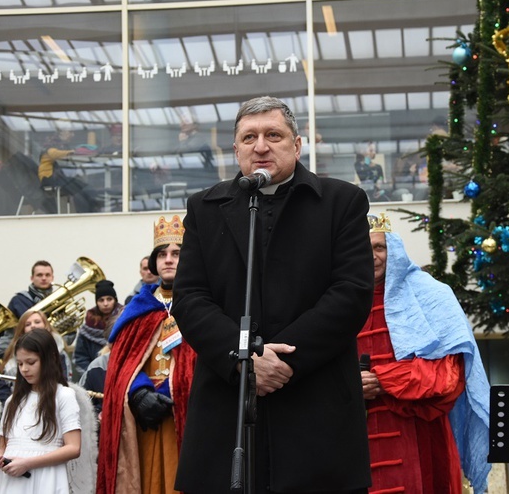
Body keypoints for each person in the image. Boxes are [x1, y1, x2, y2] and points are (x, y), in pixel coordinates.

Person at [172, 96, 374, 493]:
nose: (260, 146)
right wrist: (243, 360)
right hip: (227, 412)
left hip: (315, 410)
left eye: (273, 135)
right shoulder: (204, 208)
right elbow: (190, 297)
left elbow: (350, 293)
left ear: (297, 145)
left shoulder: (340, 202)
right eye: (249, 137)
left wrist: (280, 361)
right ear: (236, 150)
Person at [357, 213, 491, 494]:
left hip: (419, 435)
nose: (372, 256)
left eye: (379, 247)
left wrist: (382, 381)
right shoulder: (339, 301)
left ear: (393, 248)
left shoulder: (431, 294)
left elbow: (448, 377)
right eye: (363, 248)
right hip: (353, 441)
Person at [97, 214, 196, 494]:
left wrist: (168, 389)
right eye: (162, 254)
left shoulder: (202, 304)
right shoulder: (138, 307)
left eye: (176, 253)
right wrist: (140, 392)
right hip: (141, 416)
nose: (168, 259)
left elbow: (203, 358)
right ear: (154, 262)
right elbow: (121, 363)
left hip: (185, 412)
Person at [0, 328, 81, 493]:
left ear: (49, 359)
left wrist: (28, 463)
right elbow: (3, 446)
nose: (24, 369)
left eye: (31, 362)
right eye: (20, 363)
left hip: (46, 477)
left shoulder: (63, 395)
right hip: (10, 480)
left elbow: (73, 448)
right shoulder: (12, 401)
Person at [0, 260, 57, 369]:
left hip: (51, 355)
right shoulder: (19, 301)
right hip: (22, 358)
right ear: (32, 278)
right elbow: (9, 338)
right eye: (39, 275)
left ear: (52, 277)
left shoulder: (62, 302)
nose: (44, 278)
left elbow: (67, 338)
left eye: (47, 275)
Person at [0, 310, 71, 403]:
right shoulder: (11, 356)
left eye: (37, 322)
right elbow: (3, 391)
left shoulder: (60, 354)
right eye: (27, 324)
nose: (33, 326)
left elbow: (63, 379)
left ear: (46, 325)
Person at [38, 129, 99, 213]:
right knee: (82, 190)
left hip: (57, 178)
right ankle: (87, 212)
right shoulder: (51, 147)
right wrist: (75, 151)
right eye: (70, 132)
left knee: (83, 188)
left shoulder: (59, 145)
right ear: (61, 133)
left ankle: (89, 210)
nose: (72, 135)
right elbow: (55, 153)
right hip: (51, 179)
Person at [73, 279, 123, 373]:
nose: (105, 304)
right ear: (96, 302)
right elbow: (80, 358)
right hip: (94, 376)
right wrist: (92, 374)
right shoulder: (87, 328)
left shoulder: (125, 322)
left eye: (109, 299)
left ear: (115, 300)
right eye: (101, 300)